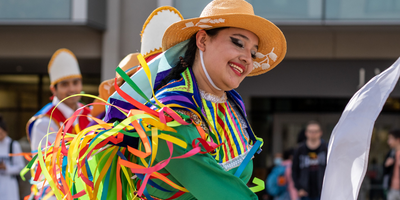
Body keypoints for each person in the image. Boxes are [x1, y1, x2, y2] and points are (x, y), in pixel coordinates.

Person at [34, 1, 287, 199]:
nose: (247, 58)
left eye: (253, 53)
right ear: (202, 40)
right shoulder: (170, 112)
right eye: (237, 43)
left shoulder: (232, 110)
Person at [26, 48, 91, 151]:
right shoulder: (45, 122)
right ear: (53, 89)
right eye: (65, 84)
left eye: (75, 82)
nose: (72, 89)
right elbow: (45, 163)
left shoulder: (91, 113)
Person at [292, 121, 327, 200]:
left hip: (322, 191)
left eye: (315, 131)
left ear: (320, 133)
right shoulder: (299, 150)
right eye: (310, 131)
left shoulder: (326, 149)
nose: (313, 134)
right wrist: (299, 188)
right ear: (306, 133)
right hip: (305, 192)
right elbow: (294, 170)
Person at [0, 115, 25, 200]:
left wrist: (6, 168)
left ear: (6, 131)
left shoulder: (13, 145)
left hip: (9, 184)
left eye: (1, 133)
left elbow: (21, 167)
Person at [383, 129, 400, 200]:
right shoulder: (390, 154)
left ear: (398, 140)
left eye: (390, 139)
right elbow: (384, 172)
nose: (388, 142)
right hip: (391, 189)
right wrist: (386, 165)